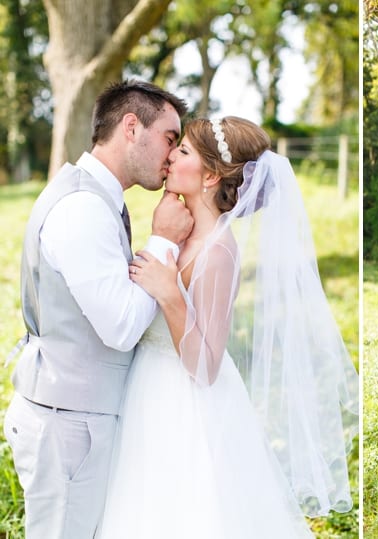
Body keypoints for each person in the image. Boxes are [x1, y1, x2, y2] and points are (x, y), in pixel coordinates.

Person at [97, 117, 359, 538]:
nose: (170, 156)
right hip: (146, 389)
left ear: (211, 176)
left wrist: (170, 294)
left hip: (185, 405)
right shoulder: (179, 233)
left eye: (182, 151)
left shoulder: (217, 252)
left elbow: (205, 365)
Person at [3, 80, 192, 539]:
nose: (172, 155)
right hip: (67, 427)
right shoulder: (83, 207)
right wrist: (164, 240)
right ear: (132, 127)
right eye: (170, 138)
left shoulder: (96, 197)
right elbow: (122, 327)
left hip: (74, 418)